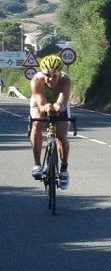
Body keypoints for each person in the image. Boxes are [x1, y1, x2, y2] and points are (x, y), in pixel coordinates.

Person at [30, 54, 72, 189]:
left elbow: (62, 100)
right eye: (48, 75)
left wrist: (58, 106)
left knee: (62, 136)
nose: (51, 79)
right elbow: (41, 103)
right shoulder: (36, 81)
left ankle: (64, 168)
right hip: (40, 103)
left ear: (60, 74)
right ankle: (37, 164)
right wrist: (45, 107)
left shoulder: (65, 81)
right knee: (37, 123)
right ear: (43, 74)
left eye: (55, 76)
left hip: (59, 104)